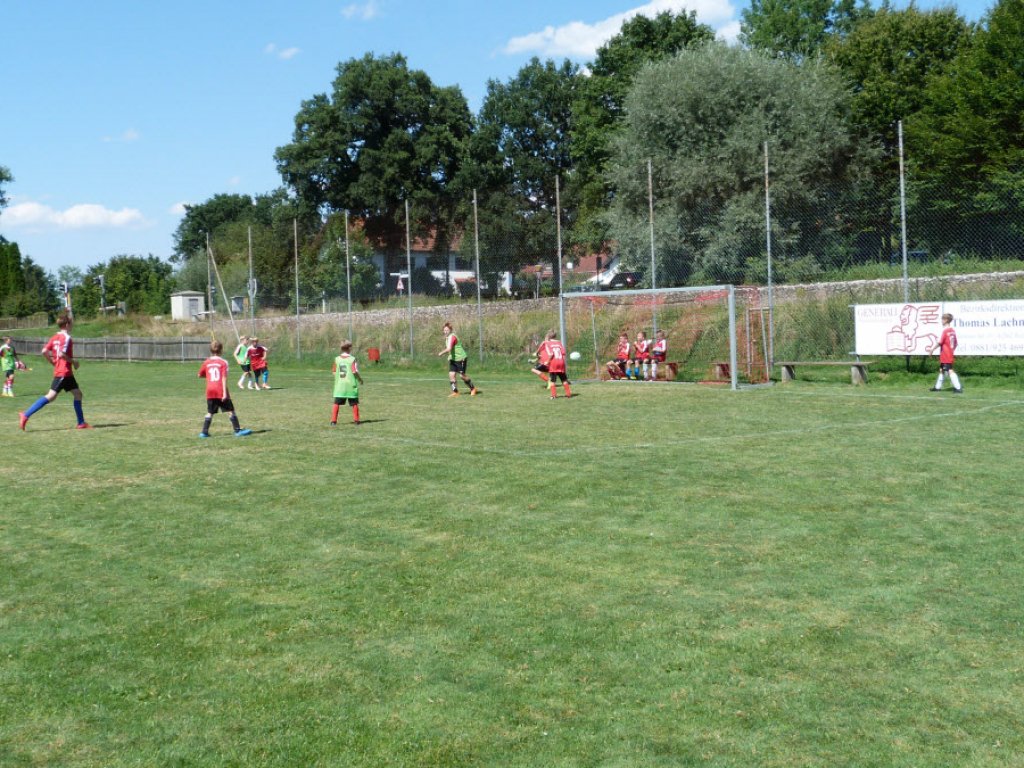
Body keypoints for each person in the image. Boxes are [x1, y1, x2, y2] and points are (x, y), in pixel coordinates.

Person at [19, 311, 90, 430]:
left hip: (66, 373)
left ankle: (81, 423)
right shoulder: (66, 338)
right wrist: (74, 362)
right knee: (51, 396)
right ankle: (25, 415)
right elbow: (62, 354)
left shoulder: (54, 337)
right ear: (67, 325)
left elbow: (44, 351)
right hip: (64, 372)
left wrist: (52, 362)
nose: (72, 326)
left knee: (78, 394)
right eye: (71, 324)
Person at [198, 340, 252, 438]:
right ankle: (237, 430)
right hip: (220, 390)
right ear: (221, 350)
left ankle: (204, 432)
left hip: (210, 391)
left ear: (210, 350)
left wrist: (209, 376)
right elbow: (223, 378)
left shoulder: (206, 362)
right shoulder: (223, 362)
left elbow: (199, 375)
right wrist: (224, 393)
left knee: (210, 412)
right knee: (230, 410)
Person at [438, 321, 478, 397]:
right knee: (451, 375)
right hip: (453, 359)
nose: (446, 331)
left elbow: (449, 348)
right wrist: (450, 357)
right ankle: (455, 392)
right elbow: (452, 350)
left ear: (450, 330)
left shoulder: (452, 337)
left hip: (461, 359)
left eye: (447, 330)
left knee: (462, 376)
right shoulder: (447, 338)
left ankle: (473, 388)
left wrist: (441, 353)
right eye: (444, 330)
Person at [331, 340, 364, 425]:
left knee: (336, 403)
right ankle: (356, 420)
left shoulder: (337, 359)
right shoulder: (352, 359)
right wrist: (360, 379)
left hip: (340, 386)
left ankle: (333, 421)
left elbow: (334, 371)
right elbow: (354, 371)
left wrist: (339, 378)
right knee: (354, 403)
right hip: (350, 385)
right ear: (349, 348)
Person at [930, 313, 962, 393]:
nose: (941, 321)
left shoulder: (945, 331)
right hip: (949, 353)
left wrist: (932, 349)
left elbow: (940, 342)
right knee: (941, 370)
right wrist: (951, 350)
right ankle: (937, 387)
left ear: (946, 320)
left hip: (945, 354)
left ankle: (958, 388)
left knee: (950, 370)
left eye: (942, 319)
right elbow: (956, 343)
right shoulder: (952, 331)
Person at [541, 330, 572, 399]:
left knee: (552, 381)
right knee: (564, 380)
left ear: (548, 336)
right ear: (555, 336)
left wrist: (547, 362)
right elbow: (563, 353)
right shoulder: (559, 343)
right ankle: (568, 394)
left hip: (553, 363)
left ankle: (554, 395)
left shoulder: (548, 343)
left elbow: (551, 354)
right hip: (561, 362)